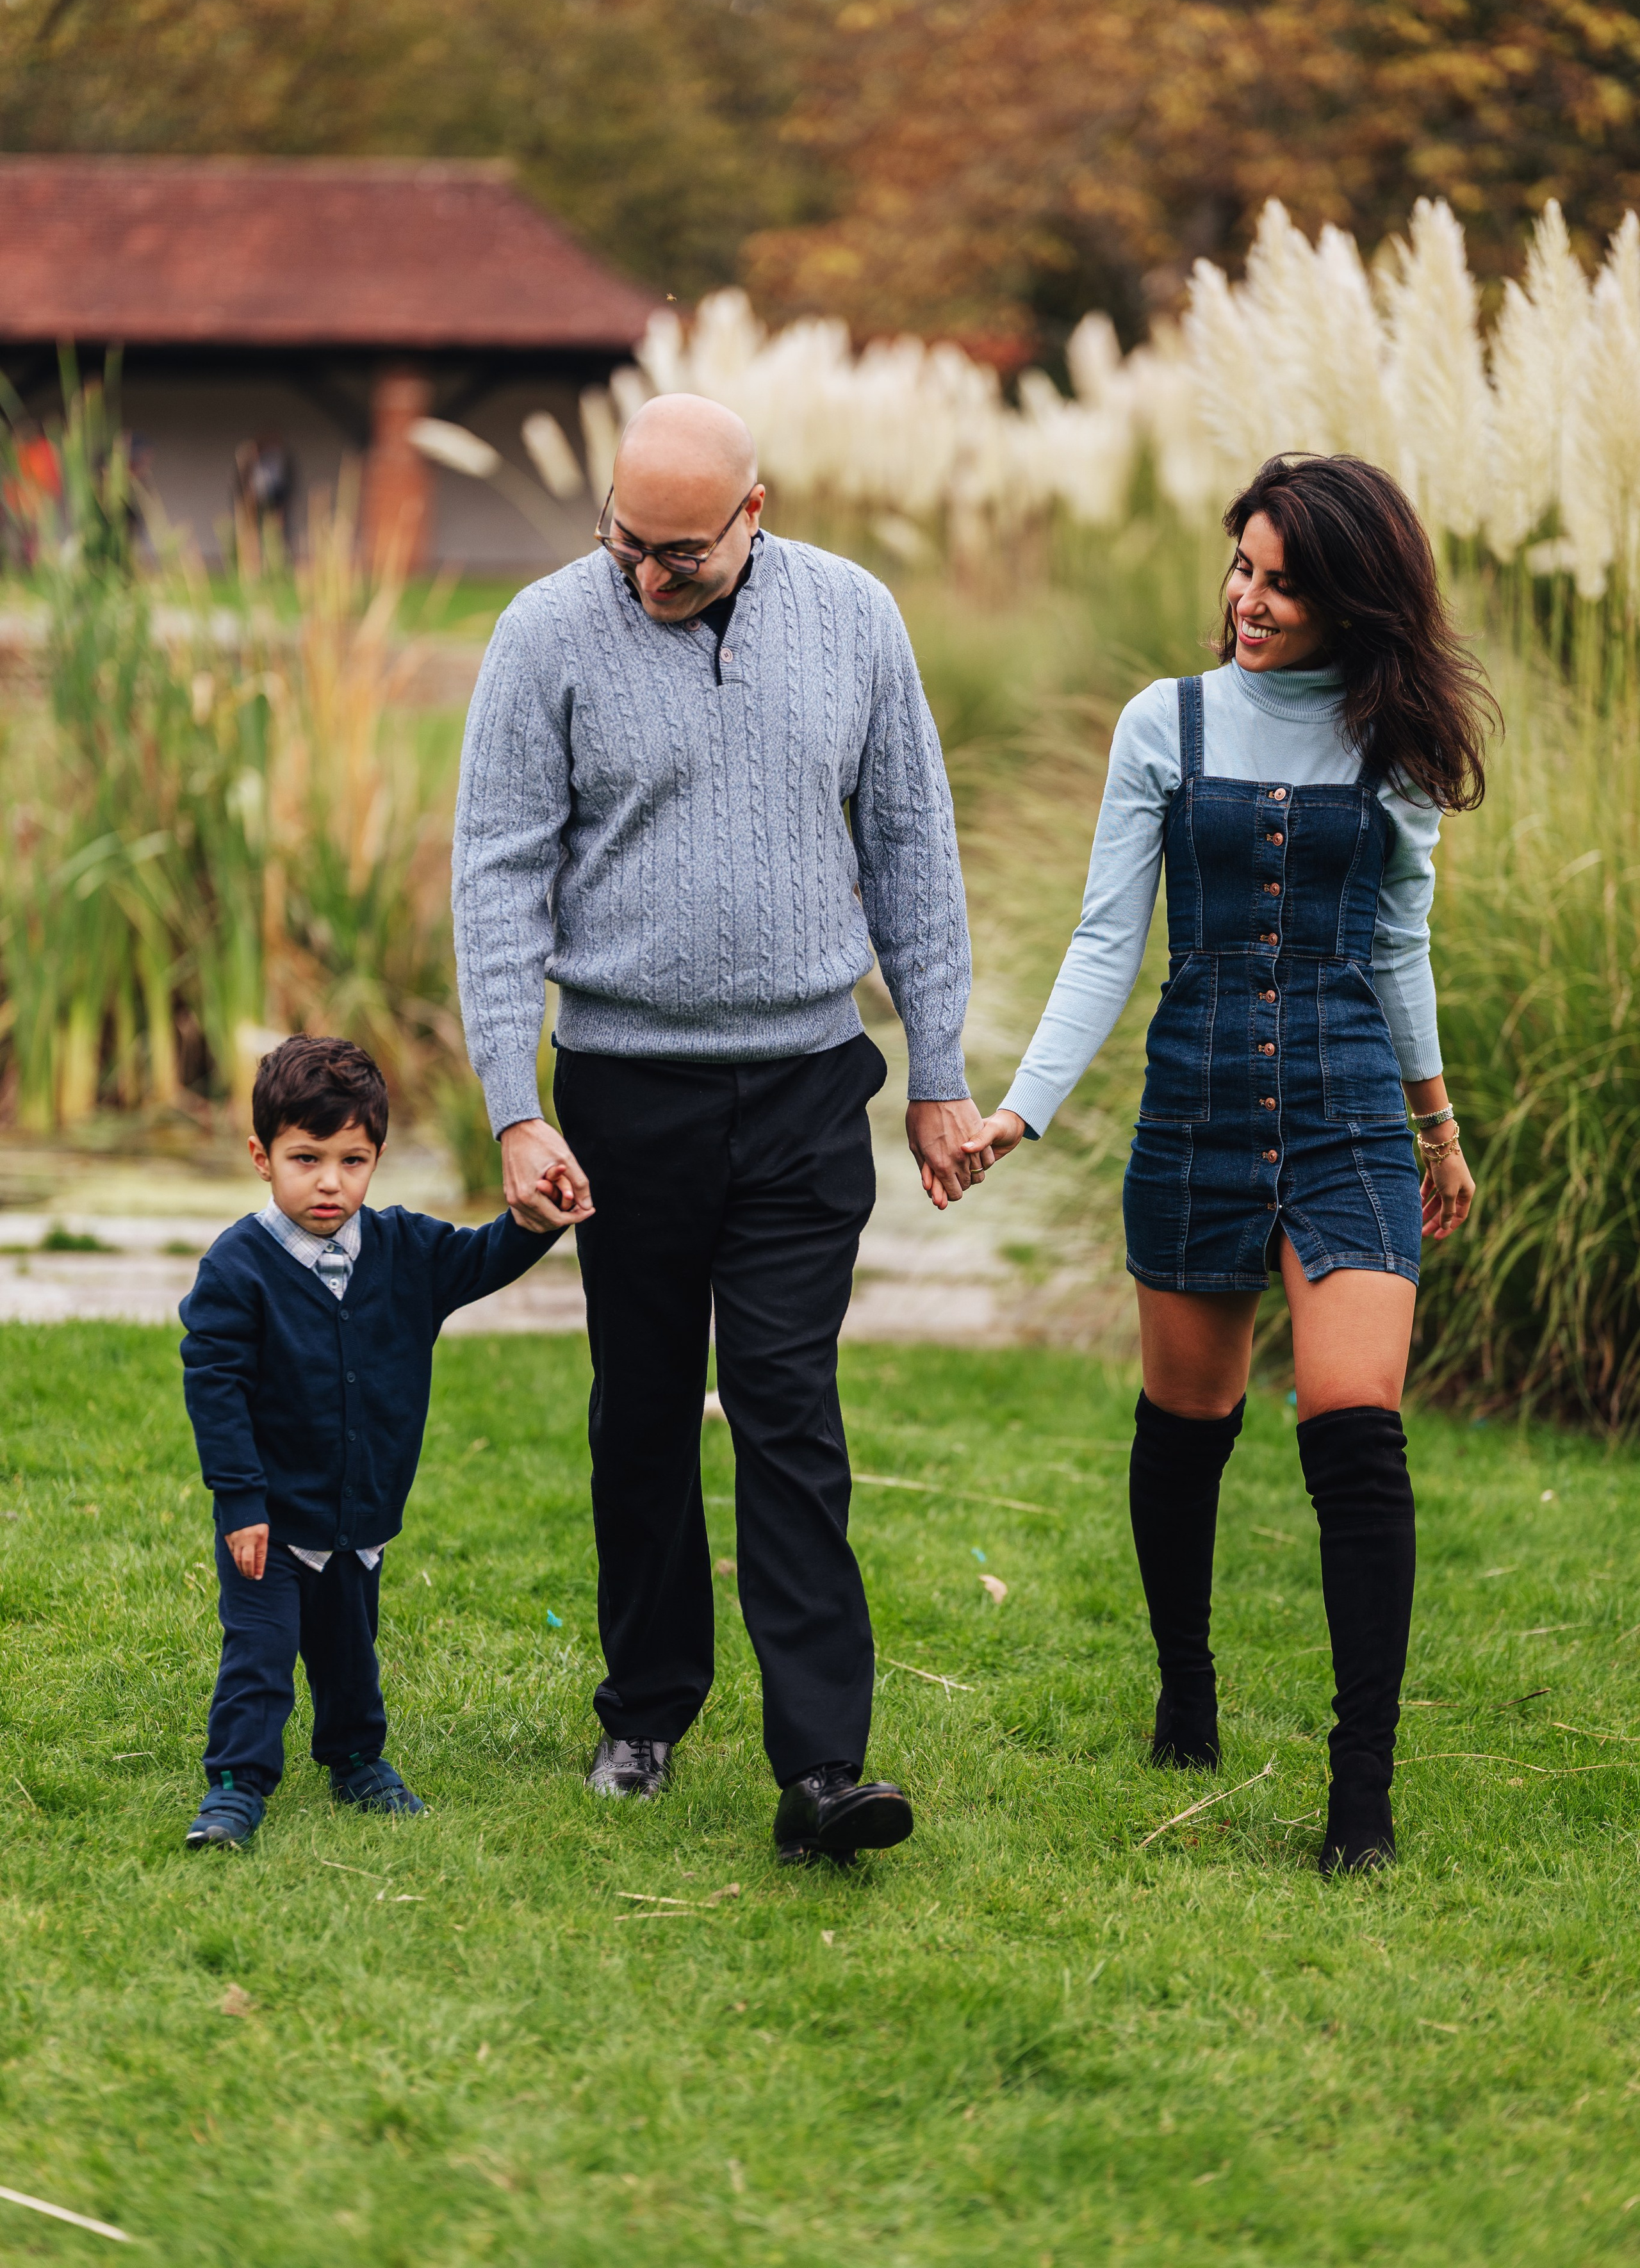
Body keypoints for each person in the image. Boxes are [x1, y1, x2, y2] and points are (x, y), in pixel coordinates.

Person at [451, 392, 986, 1865]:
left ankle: (822, 1766)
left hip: (807, 1086)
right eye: (621, 540)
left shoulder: (854, 617)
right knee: (639, 1408)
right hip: (624, 1091)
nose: (643, 575)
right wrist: (513, 1107)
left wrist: (936, 1068)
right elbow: (495, 876)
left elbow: (910, 844)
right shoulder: (545, 634)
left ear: (754, 513)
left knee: (784, 1409)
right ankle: (644, 1710)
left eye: (678, 552)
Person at [973, 455, 1493, 1875]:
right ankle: (1185, 1690)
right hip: (1196, 1105)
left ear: (1352, 602)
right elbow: (1106, 937)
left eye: (1282, 584)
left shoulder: (1392, 742)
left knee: (1354, 1426)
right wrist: (1021, 1110)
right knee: (1186, 1422)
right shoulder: (1167, 722)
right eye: (1242, 569)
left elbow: (1396, 947)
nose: (1248, 601)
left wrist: (1437, 1128)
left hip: (1346, 1112)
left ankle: (1361, 1792)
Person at [177, 1036, 561, 1850]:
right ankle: (235, 1787)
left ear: (377, 1159)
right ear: (261, 1157)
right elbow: (215, 1390)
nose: (330, 1182)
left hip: (361, 1514)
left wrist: (535, 1221)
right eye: (306, 1159)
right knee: (260, 1655)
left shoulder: (406, 1251)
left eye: (352, 1161)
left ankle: (357, 1762)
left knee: (350, 1652)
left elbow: (485, 1256)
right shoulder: (238, 1269)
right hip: (270, 1522)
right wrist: (240, 1502)